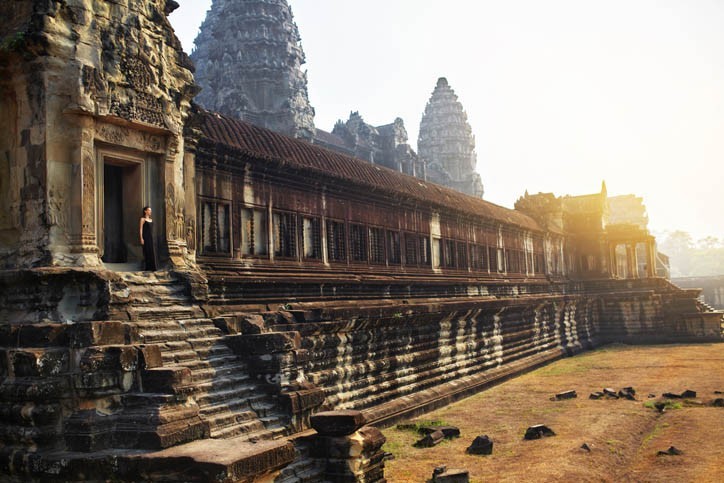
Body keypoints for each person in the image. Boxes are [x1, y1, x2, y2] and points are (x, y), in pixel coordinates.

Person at [139, 206, 157, 271]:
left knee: (152, 251)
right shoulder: (142, 219)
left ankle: (153, 267)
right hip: (146, 237)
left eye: (150, 210)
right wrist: (141, 238)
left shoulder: (151, 220)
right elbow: (140, 229)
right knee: (146, 251)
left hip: (151, 237)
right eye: (149, 210)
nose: (150, 212)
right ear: (145, 211)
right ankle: (147, 267)